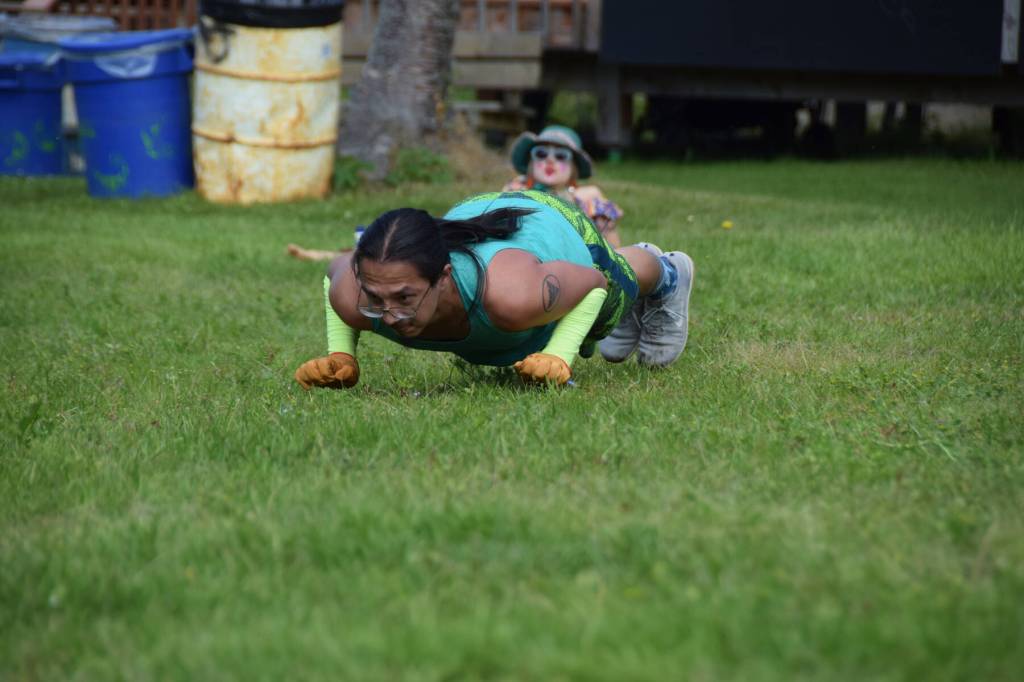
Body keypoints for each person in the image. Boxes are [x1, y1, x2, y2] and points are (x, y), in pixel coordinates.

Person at [294, 189, 694, 389]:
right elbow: (336, 273)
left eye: (405, 298)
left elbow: (594, 283)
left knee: (616, 282)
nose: (390, 315)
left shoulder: (509, 297)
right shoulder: (360, 294)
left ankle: (668, 272)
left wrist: (558, 355)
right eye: (376, 299)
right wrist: (341, 355)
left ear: (444, 277)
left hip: (547, 225)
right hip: (481, 221)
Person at [503, 125, 626, 247]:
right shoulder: (518, 190)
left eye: (561, 155)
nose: (550, 160)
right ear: (531, 162)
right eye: (541, 153)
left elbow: (614, 250)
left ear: (573, 168)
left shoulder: (586, 199)